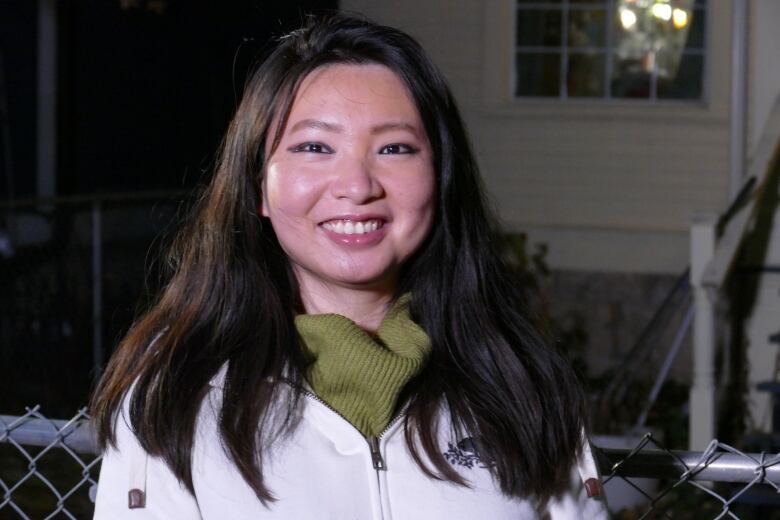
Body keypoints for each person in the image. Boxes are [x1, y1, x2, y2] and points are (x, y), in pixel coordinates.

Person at [91, 14, 608, 519]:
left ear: (441, 176)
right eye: (314, 147)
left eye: (395, 148)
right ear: (257, 186)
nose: (358, 186)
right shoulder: (177, 393)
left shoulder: (517, 381)